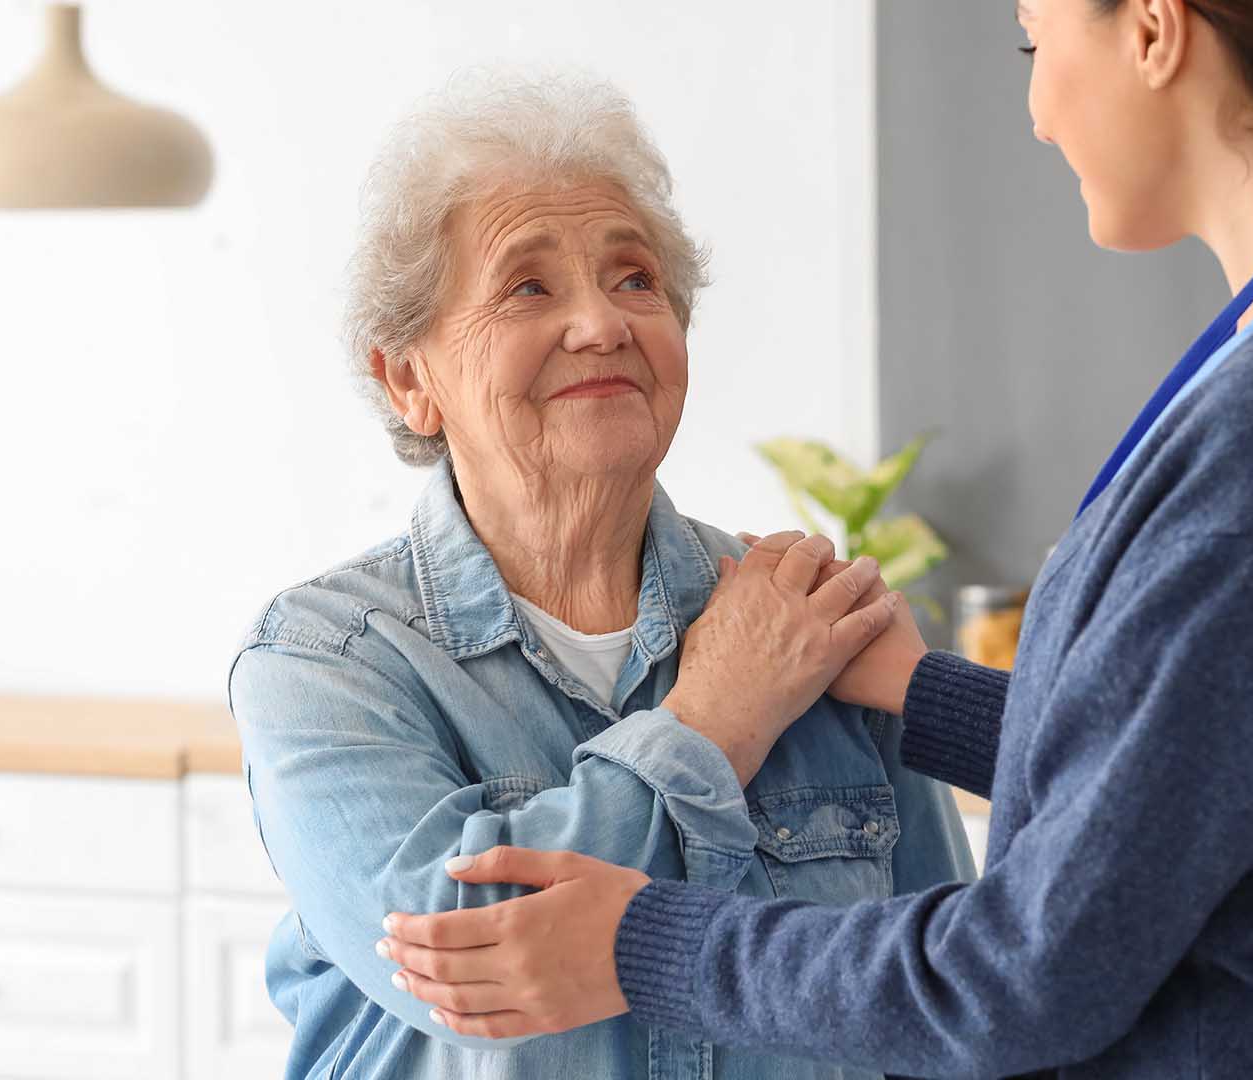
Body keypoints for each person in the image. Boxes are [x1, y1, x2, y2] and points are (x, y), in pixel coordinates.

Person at [376, 2, 1253, 1077]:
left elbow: (1025, 974)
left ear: (1153, 30)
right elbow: (1211, 768)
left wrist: (644, 945)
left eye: (1032, 41)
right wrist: (923, 693)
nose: (1040, 112)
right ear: (406, 378)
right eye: (528, 290)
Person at [229, 72, 974, 1080]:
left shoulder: (815, 617)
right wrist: (715, 720)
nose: (602, 324)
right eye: (529, 288)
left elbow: (941, 1001)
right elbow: (470, 960)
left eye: (634, 280)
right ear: (410, 379)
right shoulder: (324, 659)